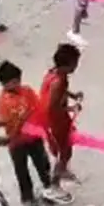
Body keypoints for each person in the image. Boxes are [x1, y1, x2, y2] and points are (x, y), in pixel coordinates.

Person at [0, 61, 73, 206]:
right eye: (14, 82)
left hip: (35, 138)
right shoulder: (2, 104)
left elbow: (40, 109)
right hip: (17, 142)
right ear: (4, 84)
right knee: (22, 171)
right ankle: (27, 198)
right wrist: (22, 119)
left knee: (43, 165)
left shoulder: (27, 91)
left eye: (19, 80)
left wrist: (46, 130)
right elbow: (10, 129)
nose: (18, 84)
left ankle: (49, 191)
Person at [31, 44, 83, 187]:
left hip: (55, 119)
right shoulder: (59, 82)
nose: (76, 66)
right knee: (63, 152)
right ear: (67, 65)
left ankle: (62, 171)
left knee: (66, 148)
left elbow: (59, 93)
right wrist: (71, 107)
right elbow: (52, 107)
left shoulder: (55, 73)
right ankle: (54, 184)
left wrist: (72, 95)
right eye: (75, 63)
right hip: (54, 121)